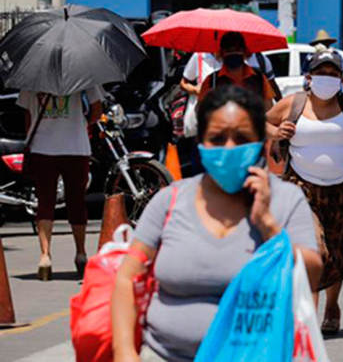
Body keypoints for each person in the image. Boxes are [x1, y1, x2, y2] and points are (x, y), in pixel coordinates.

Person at [111, 85, 322, 361]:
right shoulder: (170, 201)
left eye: (242, 137)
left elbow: (312, 273)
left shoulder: (285, 200)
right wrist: (125, 352)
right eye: (218, 138)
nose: (230, 147)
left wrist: (269, 226)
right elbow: (127, 277)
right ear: (201, 144)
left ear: (261, 142)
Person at [267, 51, 343, 336]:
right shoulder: (293, 104)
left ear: (341, 79)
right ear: (309, 78)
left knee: (337, 252)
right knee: (315, 250)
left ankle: (332, 306)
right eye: (321, 73)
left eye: (333, 74)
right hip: (301, 188)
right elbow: (257, 121)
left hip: (342, 187)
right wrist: (276, 131)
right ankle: (306, 316)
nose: (327, 79)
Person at [17, 87, 104, 281]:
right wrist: (80, 124)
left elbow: (28, 114)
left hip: (42, 147)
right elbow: (97, 110)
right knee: (77, 202)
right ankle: (81, 254)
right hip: (75, 147)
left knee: (45, 201)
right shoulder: (84, 73)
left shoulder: (32, 76)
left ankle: (45, 256)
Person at [199, 32, 276, 110]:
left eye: (237, 49)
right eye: (228, 50)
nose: (233, 53)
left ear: (244, 52)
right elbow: (200, 110)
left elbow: (269, 110)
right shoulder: (211, 82)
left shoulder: (259, 78)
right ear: (221, 53)